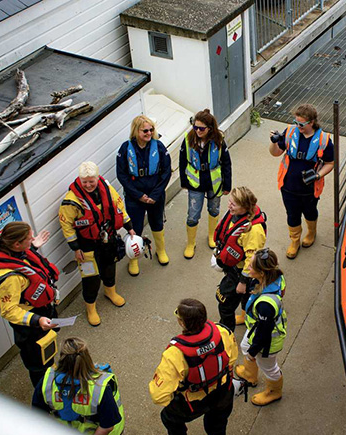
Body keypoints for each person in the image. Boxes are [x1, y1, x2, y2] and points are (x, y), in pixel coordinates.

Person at [150, 299, 238, 435]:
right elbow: (232, 359)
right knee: (218, 425)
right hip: (223, 391)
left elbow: (158, 395)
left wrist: (174, 397)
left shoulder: (175, 354)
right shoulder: (221, 332)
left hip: (193, 402)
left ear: (182, 322)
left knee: (168, 416)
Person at [59, 161, 137, 327]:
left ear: (97, 178)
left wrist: (129, 227)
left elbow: (119, 208)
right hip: (86, 246)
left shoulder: (106, 189)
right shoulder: (71, 201)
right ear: (79, 180)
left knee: (109, 267)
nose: (88, 185)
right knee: (91, 279)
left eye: (91, 181)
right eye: (84, 182)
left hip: (107, 239)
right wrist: (75, 248)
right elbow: (66, 226)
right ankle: (91, 308)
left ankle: (110, 292)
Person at [0, 221, 59, 387]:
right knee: (37, 364)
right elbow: (8, 310)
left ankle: (50, 370)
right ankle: (44, 396)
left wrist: (33, 247)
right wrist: (37, 320)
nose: (33, 239)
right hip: (30, 327)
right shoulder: (8, 278)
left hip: (42, 312)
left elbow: (25, 262)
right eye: (29, 239)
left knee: (47, 351)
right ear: (17, 244)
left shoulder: (15, 252)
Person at [268, 103, 335, 259]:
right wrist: (273, 141)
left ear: (311, 122)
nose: (298, 126)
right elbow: (276, 153)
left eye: (302, 124)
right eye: (296, 122)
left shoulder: (324, 140)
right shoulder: (291, 131)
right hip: (288, 185)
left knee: (310, 212)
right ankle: (295, 241)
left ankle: (311, 233)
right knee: (292, 214)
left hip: (310, 188)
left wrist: (318, 176)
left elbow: (330, 163)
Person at [33, 337, 125, 435]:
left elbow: (37, 415)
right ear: (87, 359)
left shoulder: (47, 381)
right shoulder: (100, 386)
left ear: (61, 359)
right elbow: (108, 426)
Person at [116, 115, 172, 273]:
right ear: (136, 131)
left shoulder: (159, 147)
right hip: (135, 197)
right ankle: (134, 258)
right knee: (135, 228)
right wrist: (138, 195)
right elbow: (122, 175)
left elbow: (166, 172)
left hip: (155, 196)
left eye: (151, 129)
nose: (149, 133)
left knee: (157, 223)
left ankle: (160, 250)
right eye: (145, 130)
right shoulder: (125, 149)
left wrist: (154, 195)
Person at [234, 248, 287, 406]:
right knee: (244, 345)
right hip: (255, 329)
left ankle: (274, 391)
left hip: (268, 342)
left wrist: (252, 352)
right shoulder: (275, 276)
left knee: (269, 367)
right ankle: (250, 374)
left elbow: (264, 334)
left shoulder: (265, 304)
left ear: (262, 272)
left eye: (251, 266)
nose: (247, 267)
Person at [180, 109, 232, 260]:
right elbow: (182, 160)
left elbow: (226, 163)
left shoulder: (219, 140)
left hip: (213, 183)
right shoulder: (188, 139)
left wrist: (227, 185)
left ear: (210, 128)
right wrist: (184, 182)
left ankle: (212, 236)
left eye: (201, 128)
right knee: (192, 215)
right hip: (195, 183)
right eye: (195, 127)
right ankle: (191, 244)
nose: (197, 131)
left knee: (214, 210)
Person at [213, 187, 267, 331]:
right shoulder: (236, 215)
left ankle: (226, 334)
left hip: (242, 272)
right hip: (234, 266)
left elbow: (252, 260)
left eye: (233, 204)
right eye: (230, 202)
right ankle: (244, 315)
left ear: (245, 207)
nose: (229, 206)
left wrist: (243, 282)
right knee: (245, 297)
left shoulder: (254, 231)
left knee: (225, 304)